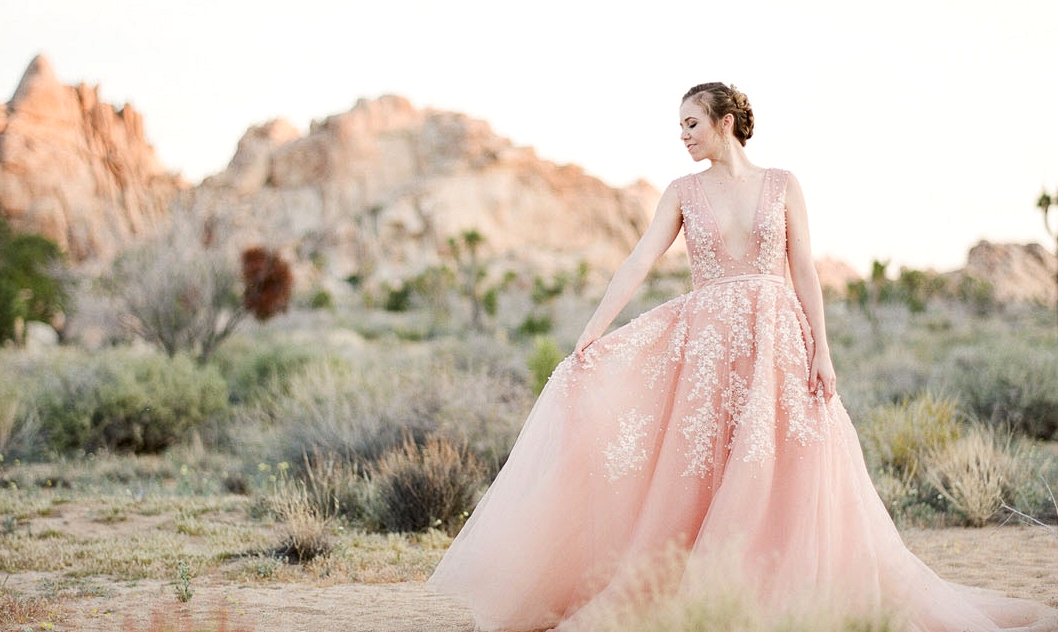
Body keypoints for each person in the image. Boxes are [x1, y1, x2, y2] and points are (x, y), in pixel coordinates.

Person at [427, 83, 1058, 631]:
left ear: (726, 121)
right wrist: (593, 331)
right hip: (704, 348)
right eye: (679, 127)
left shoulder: (783, 185)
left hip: (776, 340)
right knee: (701, 469)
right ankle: (701, 595)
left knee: (783, 463)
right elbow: (640, 260)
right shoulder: (680, 190)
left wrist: (823, 350)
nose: (683, 136)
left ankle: (778, 591)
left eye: (691, 124)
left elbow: (803, 268)